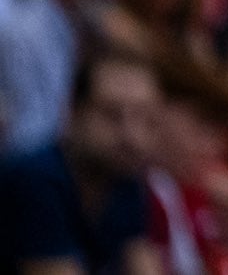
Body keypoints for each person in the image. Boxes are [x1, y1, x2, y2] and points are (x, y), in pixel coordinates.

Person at [0, 50, 163, 275]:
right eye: (112, 114)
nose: (131, 135)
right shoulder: (35, 180)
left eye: (144, 117)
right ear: (72, 112)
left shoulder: (124, 180)